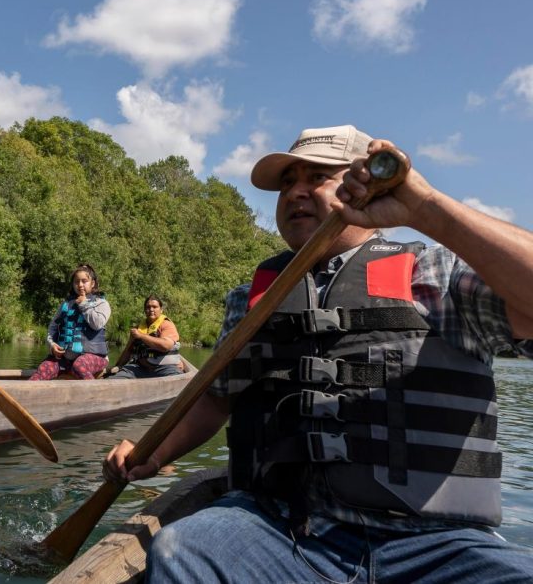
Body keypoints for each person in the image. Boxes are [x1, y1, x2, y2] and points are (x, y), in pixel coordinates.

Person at [103, 125, 533, 582]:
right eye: (287, 183)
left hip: (435, 545)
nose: (295, 193)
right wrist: (152, 451)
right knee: (183, 548)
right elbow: (215, 397)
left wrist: (426, 208)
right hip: (280, 529)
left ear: (364, 188)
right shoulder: (250, 300)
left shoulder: (435, 272)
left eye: (317, 177)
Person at [29, 264, 112, 380]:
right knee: (43, 369)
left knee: (80, 365)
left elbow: (97, 323)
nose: (80, 285)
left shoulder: (102, 304)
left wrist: (84, 304)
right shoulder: (66, 305)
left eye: (84, 281)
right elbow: (52, 328)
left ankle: (95, 395)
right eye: (76, 282)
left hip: (95, 357)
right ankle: (26, 394)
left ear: (92, 283)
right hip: (65, 359)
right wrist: (52, 345)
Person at [109, 295, 184, 378]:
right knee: (116, 378)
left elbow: (166, 346)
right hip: (140, 368)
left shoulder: (167, 325)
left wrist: (141, 336)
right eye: (148, 307)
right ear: (145, 310)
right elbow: (128, 351)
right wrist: (117, 366)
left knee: (176, 378)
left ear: (161, 310)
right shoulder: (138, 328)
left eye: (154, 307)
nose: (151, 309)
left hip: (165, 368)